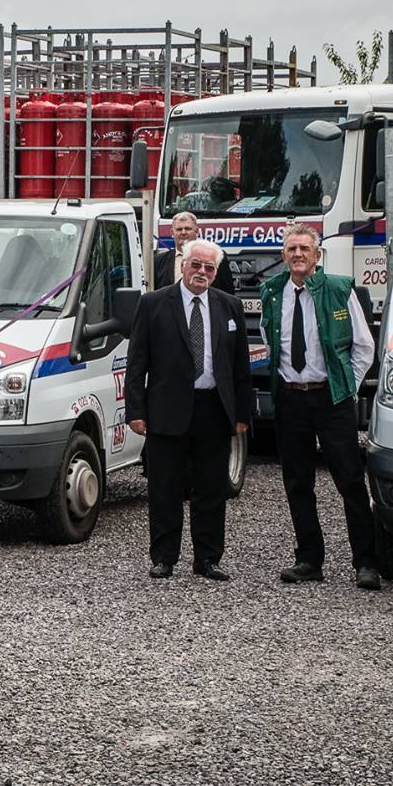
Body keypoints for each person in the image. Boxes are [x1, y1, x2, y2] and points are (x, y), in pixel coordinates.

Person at [261, 223, 380, 590]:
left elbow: (363, 347)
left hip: (332, 399)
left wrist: (345, 387)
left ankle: (366, 563)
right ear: (284, 255)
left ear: (317, 254)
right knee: (298, 482)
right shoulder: (272, 291)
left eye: (304, 249)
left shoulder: (339, 289)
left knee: (349, 481)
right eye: (291, 249)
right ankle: (309, 559)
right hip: (290, 398)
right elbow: (271, 342)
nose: (298, 255)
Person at [125, 237, 253, 580]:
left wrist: (242, 414)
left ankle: (208, 559)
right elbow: (137, 363)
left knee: (212, 488)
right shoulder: (153, 304)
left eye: (209, 267)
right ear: (183, 265)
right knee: (165, 487)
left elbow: (240, 366)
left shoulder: (230, 307)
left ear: (216, 272)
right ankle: (164, 557)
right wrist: (135, 411)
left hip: (214, 408)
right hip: (166, 409)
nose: (201, 272)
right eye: (196, 264)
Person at [153, 210, 202, 289]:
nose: (183, 232)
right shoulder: (158, 262)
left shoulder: (214, 258)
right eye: (179, 229)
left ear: (197, 231)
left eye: (188, 229)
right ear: (172, 232)